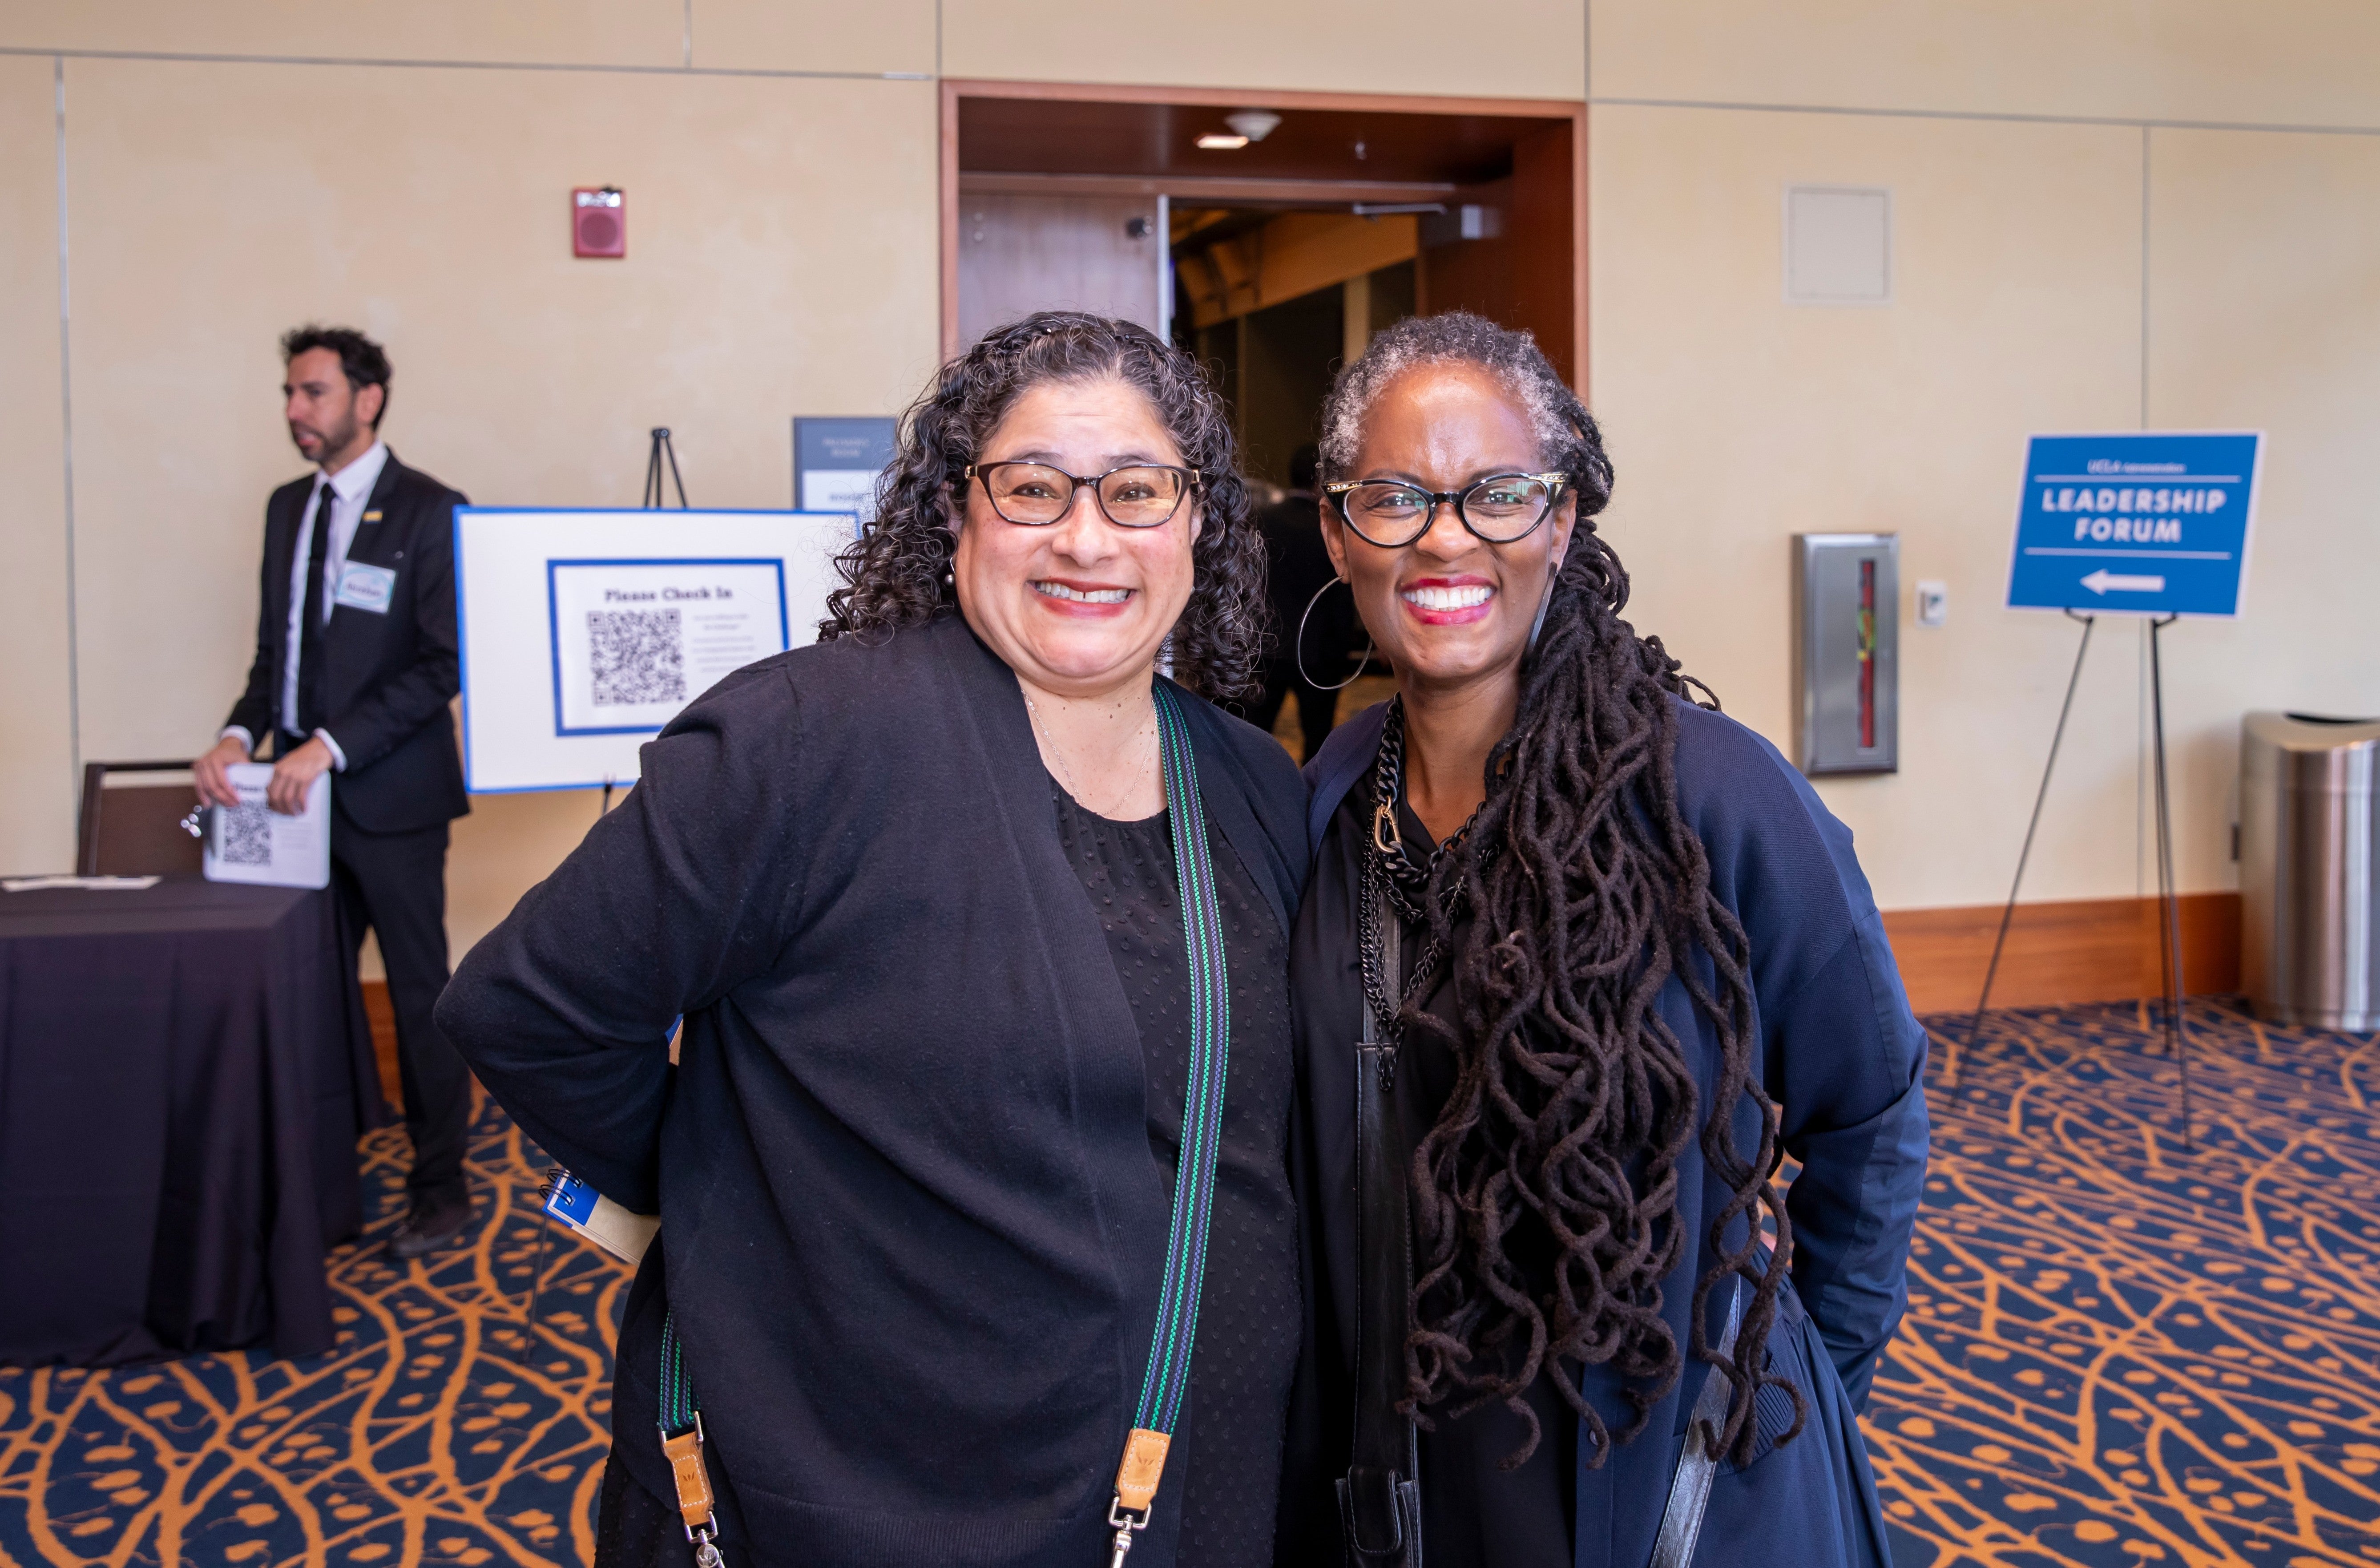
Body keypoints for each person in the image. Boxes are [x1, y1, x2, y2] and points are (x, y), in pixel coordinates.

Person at [435, 313, 1308, 1568]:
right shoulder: (806, 743)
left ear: (1197, 523)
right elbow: (527, 1009)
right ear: (954, 513)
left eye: (1134, 490)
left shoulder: (1246, 780)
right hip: (888, 1483)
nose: (1085, 536)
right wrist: (734, 1190)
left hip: (1203, 1469)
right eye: (1030, 488)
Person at [1277, 314, 1927, 1567]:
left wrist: (1771, 1392)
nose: (1445, 537)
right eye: (1394, 497)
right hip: (1415, 1470)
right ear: (1338, 531)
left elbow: (1872, 1115)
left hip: (1675, 1480)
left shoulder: (1715, 801)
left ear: (1561, 522)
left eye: (1497, 495)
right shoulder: (1328, 792)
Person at [194, 325, 474, 1261]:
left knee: (417, 995)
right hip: (290, 810)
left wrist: (329, 745)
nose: (294, 412)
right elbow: (278, 653)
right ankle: (319, 1186)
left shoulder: (432, 510)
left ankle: (441, 1191)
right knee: (306, 995)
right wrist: (240, 733)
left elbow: (444, 663)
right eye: (288, 393)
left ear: (368, 399)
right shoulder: (286, 509)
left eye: (311, 393)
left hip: (392, 801)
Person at [1247, 443, 1347, 763]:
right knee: (1319, 742)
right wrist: (1345, 646)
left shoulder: (1260, 521)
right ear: (1321, 480)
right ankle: (1314, 807)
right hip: (1320, 653)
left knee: (1253, 737)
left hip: (1267, 649)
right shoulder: (1333, 529)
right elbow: (1343, 593)